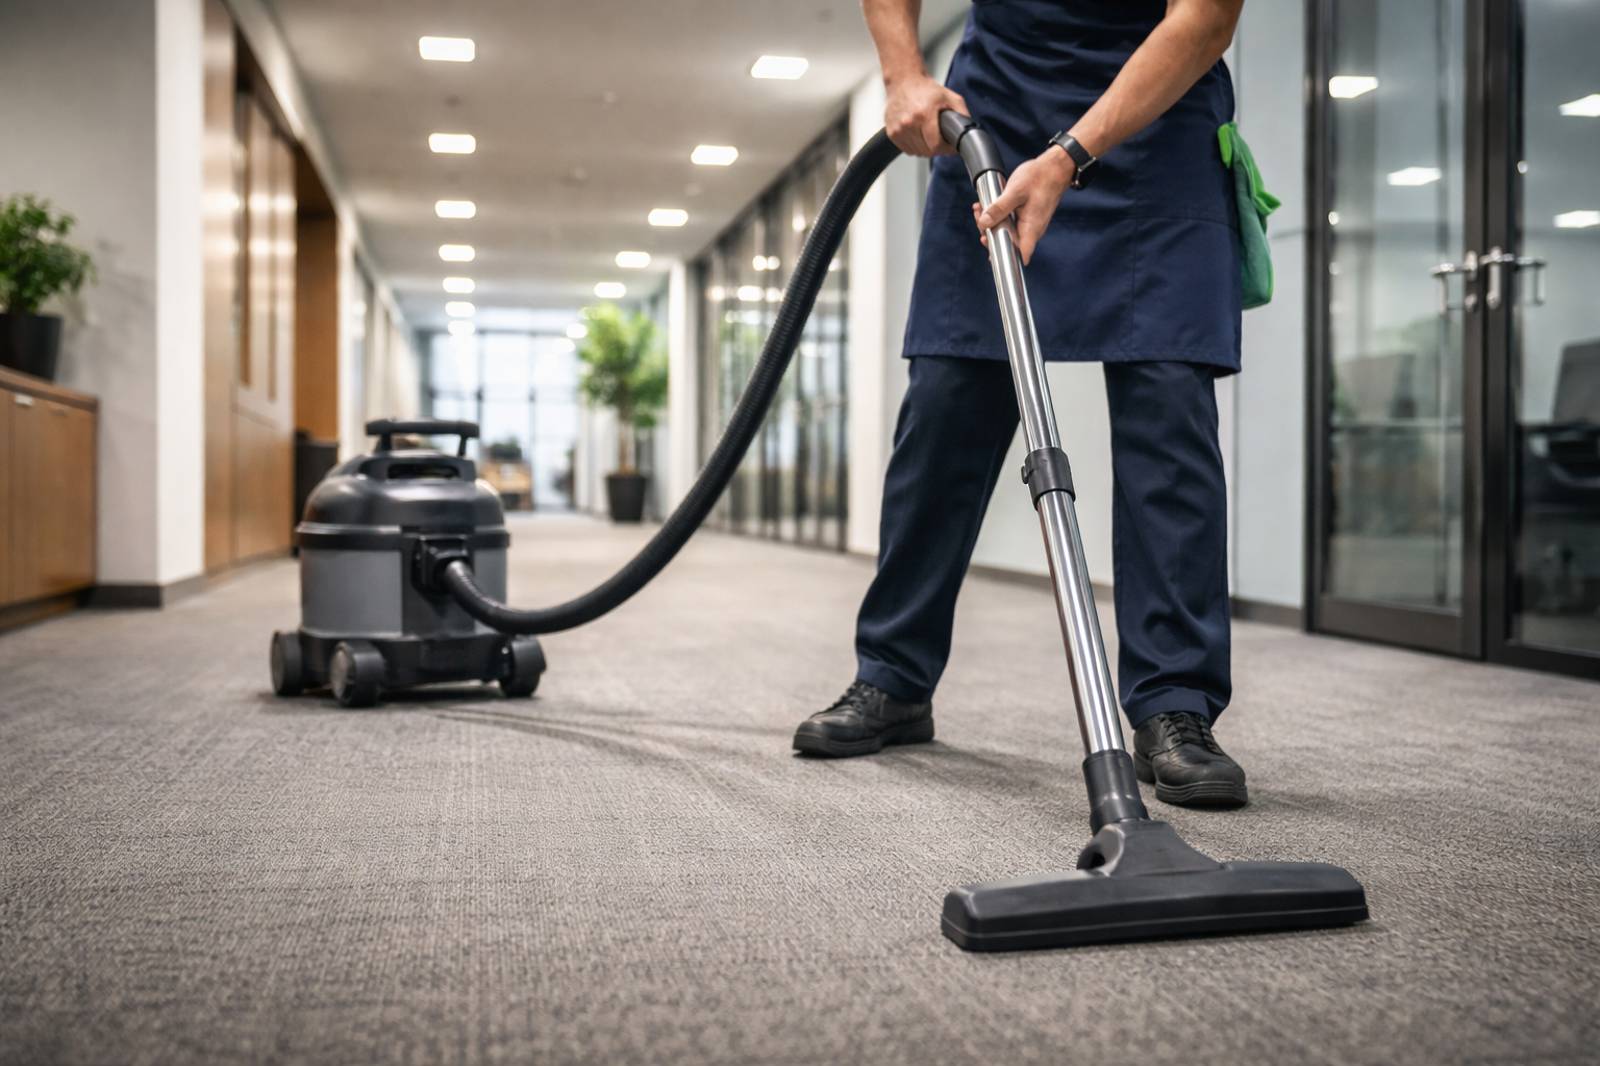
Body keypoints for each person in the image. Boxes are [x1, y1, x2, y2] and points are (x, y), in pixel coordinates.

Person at [792, 0, 1251, 809]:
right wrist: (902, 75)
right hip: (999, 111)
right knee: (946, 406)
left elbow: (1206, 19)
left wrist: (1071, 154)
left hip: (1160, 120)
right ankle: (893, 678)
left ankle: (1174, 704)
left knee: (1169, 409)